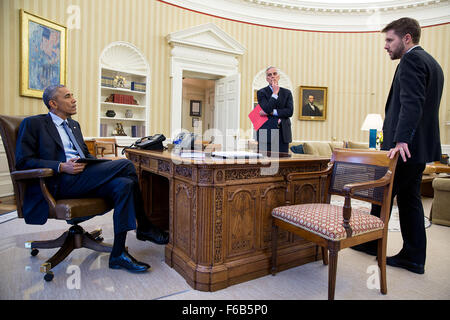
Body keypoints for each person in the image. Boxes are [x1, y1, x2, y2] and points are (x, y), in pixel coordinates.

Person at [15, 85, 169, 273]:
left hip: (82, 177)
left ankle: (118, 254)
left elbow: (84, 154)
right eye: (68, 96)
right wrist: (62, 166)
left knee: (124, 185)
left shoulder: (73, 125)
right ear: (53, 103)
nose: (74, 99)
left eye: (72, 95)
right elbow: (23, 162)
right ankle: (144, 226)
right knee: (127, 165)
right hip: (57, 182)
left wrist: (100, 163)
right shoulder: (34, 124)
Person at [352, 18, 444, 275]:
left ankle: (372, 244)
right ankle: (413, 256)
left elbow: (412, 103)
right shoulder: (434, 64)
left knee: (381, 194)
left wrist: (401, 139)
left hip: (403, 147)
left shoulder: (412, 60)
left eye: (389, 40)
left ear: (407, 39)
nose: (386, 46)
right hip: (419, 148)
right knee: (409, 199)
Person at [256, 66, 293, 154]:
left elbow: (290, 111)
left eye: (275, 74)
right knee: (265, 163)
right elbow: (266, 108)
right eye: (270, 75)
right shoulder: (261, 92)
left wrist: (273, 112)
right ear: (267, 79)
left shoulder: (287, 93)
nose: (272, 76)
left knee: (282, 163)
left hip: (283, 133)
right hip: (266, 132)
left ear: (278, 76)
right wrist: (275, 93)